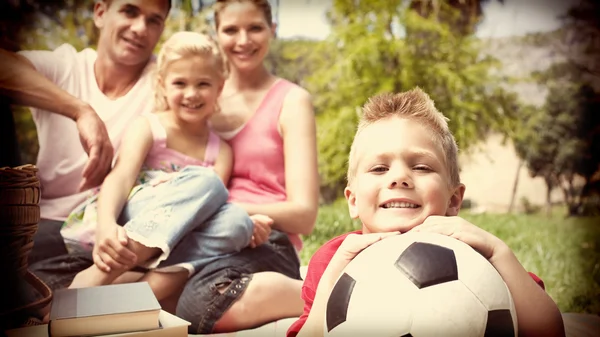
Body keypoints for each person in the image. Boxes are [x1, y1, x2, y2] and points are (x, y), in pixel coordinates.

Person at [286, 88, 566, 337]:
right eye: (379, 168)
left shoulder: (477, 257)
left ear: (454, 200)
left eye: (421, 167)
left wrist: (498, 253)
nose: (399, 178)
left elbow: (550, 331)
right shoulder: (332, 260)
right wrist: (328, 285)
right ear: (353, 201)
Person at [60, 31, 253, 303]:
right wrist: (106, 224)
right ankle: (104, 273)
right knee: (208, 181)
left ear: (219, 87)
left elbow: (209, 212)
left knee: (238, 223)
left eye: (203, 84)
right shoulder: (150, 126)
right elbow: (121, 177)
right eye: (180, 83)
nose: (191, 93)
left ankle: (139, 290)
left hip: (179, 235)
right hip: (134, 216)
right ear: (162, 85)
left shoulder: (221, 150)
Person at [170, 0, 320, 334]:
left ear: (272, 30)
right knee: (140, 290)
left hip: (265, 239)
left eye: (254, 28)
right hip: (201, 237)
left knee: (200, 303)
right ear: (216, 33)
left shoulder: (292, 101)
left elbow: (305, 214)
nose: (243, 40)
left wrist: (221, 209)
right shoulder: (201, 97)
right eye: (231, 30)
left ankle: (321, 293)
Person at [0, 0, 172, 265]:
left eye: (154, 20)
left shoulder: (167, 84)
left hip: (112, 230)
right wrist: (81, 111)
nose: (140, 28)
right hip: (41, 222)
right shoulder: (67, 66)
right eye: (130, 11)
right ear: (101, 13)